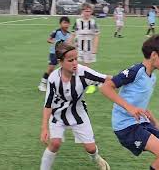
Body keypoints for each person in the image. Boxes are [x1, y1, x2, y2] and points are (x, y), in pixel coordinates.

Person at [100, 34, 159, 170]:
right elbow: (106, 87)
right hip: (126, 126)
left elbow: (138, 100)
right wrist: (129, 108)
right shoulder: (135, 71)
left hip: (141, 122)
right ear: (154, 55)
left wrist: (151, 117)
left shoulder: (152, 77)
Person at [39, 41, 110, 170]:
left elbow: (106, 78)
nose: (75, 63)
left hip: (78, 113)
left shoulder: (83, 72)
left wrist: (127, 77)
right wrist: (44, 127)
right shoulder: (53, 79)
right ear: (61, 62)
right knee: (55, 143)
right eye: (70, 60)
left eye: (76, 59)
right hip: (58, 115)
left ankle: (96, 158)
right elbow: (48, 104)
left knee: (91, 148)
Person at [68, 3, 100, 94]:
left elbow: (97, 35)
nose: (87, 13)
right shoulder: (77, 21)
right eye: (86, 11)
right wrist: (69, 45)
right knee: (75, 66)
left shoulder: (93, 22)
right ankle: (77, 84)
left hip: (89, 47)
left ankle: (92, 85)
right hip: (78, 47)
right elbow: (73, 34)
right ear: (82, 11)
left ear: (91, 12)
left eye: (89, 11)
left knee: (87, 67)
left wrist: (95, 48)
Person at [38, 16, 72, 92]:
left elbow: (69, 44)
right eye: (64, 23)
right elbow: (48, 39)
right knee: (51, 68)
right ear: (60, 24)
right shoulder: (56, 31)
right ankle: (42, 84)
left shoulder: (69, 34)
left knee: (65, 69)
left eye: (67, 23)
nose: (66, 25)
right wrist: (56, 42)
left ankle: (63, 85)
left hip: (63, 54)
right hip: (54, 53)